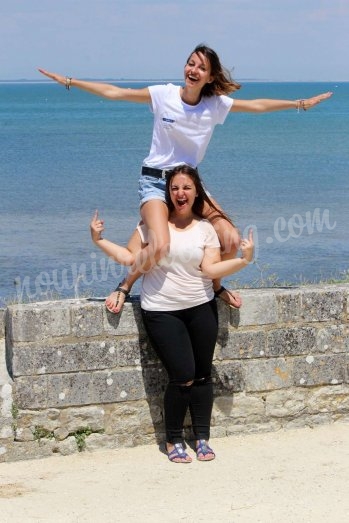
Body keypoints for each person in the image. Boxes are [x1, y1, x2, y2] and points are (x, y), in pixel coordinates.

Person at [40, 44, 332, 313]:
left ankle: (215, 287)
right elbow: (115, 93)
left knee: (231, 239)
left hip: (189, 184)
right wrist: (69, 81)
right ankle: (125, 285)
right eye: (190, 64)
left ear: (209, 76)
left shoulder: (214, 105)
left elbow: (256, 106)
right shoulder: (163, 95)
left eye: (200, 68)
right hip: (155, 181)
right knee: (161, 246)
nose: (193, 70)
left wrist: (300, 104)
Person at [90, 164, 254, 463]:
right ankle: (173, 440)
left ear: (196, 194)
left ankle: (202, 438)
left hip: (201, 307)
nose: (180, 193)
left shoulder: (205, 229)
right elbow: (130, 259)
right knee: (182, 376)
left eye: (187, 188)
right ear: (167, 192)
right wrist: (99, 240)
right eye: (175, 188)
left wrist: (244, 261)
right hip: (162, 311)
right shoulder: (150, 228)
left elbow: (211, 269)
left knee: (203, 375)